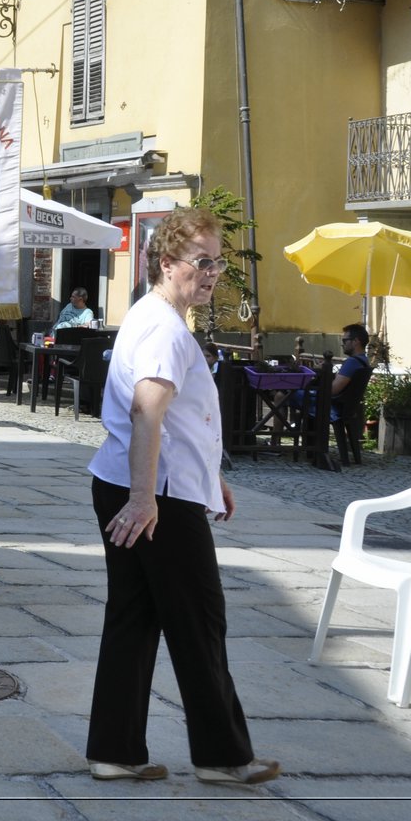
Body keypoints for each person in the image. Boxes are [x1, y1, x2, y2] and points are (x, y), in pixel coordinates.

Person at [84, 206, 279, 785]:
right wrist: (147, 500)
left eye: (218, 262)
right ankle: (223, 757)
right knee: (199, 620)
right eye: (202, 261)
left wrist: (206, 476)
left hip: (136, 483)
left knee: (134, 617)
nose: (213, 272)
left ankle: (114, 752)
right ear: (167, 264)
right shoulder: (165, 329)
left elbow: (178, 422)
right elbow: (147, 411)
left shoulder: (154, 316)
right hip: (152, 496)